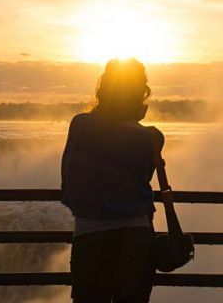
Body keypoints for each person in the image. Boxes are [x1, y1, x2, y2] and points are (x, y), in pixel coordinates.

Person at [61, 57, 165, 303]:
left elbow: (68, 182)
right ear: (141, 95)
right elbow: (138, 182)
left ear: (103, 90)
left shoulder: (80, 126)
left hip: (90, 236)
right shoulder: (152, 138)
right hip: (136, 237)